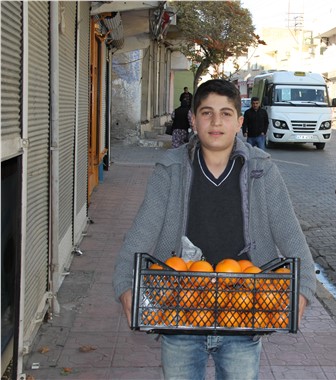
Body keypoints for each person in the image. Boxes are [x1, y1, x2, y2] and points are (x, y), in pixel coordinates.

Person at [113, 79, 316, 380]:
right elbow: (143, 229)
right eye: (207, 113)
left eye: (226, 113)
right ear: (193, 120)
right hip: (180, 310)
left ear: (239, 121)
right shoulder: (170, 169)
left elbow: (290, 233)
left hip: (244, 312)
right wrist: (125, 283)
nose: (216, 122)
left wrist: (304, 288)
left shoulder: (262, 170)